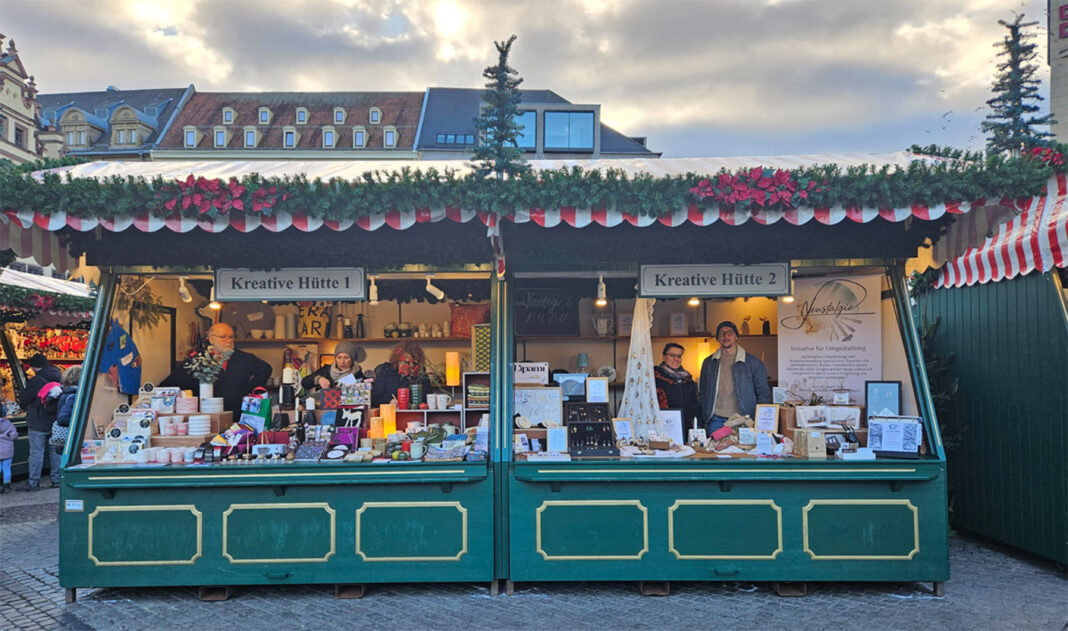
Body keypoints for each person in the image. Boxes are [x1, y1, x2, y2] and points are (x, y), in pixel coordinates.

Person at [161, 322, 272, 413]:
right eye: (223, 337)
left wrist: (249, 391)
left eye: (231, 337)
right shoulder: (198, 359)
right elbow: (171, 384)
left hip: (238, 415)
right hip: (206, 415)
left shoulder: (243, 358)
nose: (229, 340)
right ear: (211, 339)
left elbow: (266, 369)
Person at [699, 320, 771, 434]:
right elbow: (702, 392)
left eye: (730, 332)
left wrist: (760, 420)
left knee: (743, 451)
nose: (725, 336)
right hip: (715, 421)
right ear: (717, 338)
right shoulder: (709, 363)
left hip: (744, 420)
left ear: (737, 336)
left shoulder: (753, 363)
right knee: (715, 451)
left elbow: (763, 393)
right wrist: (705, 415)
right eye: (721, 333)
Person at [17, 353, 62, 491]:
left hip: (38, 421)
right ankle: (56, 479)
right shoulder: (59, 376)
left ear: (35, 367)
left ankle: (34, 482)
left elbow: (23, 400)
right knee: (55, 452)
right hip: (55, 421)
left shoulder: (36, 380)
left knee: (37, 452)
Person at [655, 342, 701, 431]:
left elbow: (694, 405)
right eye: (672, 355)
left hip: (687, 425)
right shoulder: (656, 377)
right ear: (664, 357)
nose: (676, 359)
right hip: (665, 425)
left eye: (679, 356)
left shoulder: (687, 379)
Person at [371, 340, 431, 406]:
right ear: (397, 360)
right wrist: (389, 401)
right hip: (391, 412)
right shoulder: (386, 371)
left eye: (410, 363)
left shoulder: (421, 375)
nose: (407, 366)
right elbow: (374, 398)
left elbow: (428, 398)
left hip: (415, 413)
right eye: (404, 362)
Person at [53, 365, 83, 457]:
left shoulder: (67, 393)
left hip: (65, 443)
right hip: (70, 441)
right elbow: (62, 418)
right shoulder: (73, 396)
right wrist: (82, 420)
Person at [0, 414, 16, 493]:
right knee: (6, 468)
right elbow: (13, 435)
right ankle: (6, 486)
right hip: (7, 450)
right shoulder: (8, 423)